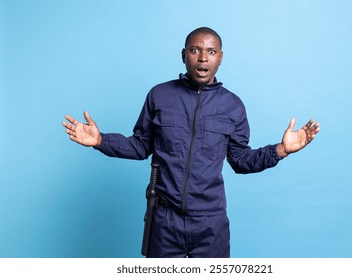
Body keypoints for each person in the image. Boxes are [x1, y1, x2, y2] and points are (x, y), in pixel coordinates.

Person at [62, 27, 320, 258]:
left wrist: (281, 150)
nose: (203, 58)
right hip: (164, 221)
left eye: (211, 51)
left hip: (211, 224)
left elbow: (241, 161)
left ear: (220, 57)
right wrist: (101, 141)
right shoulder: (159, 95)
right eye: (196, 50)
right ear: (184, 54)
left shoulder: (233, 106)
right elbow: (141, 146)